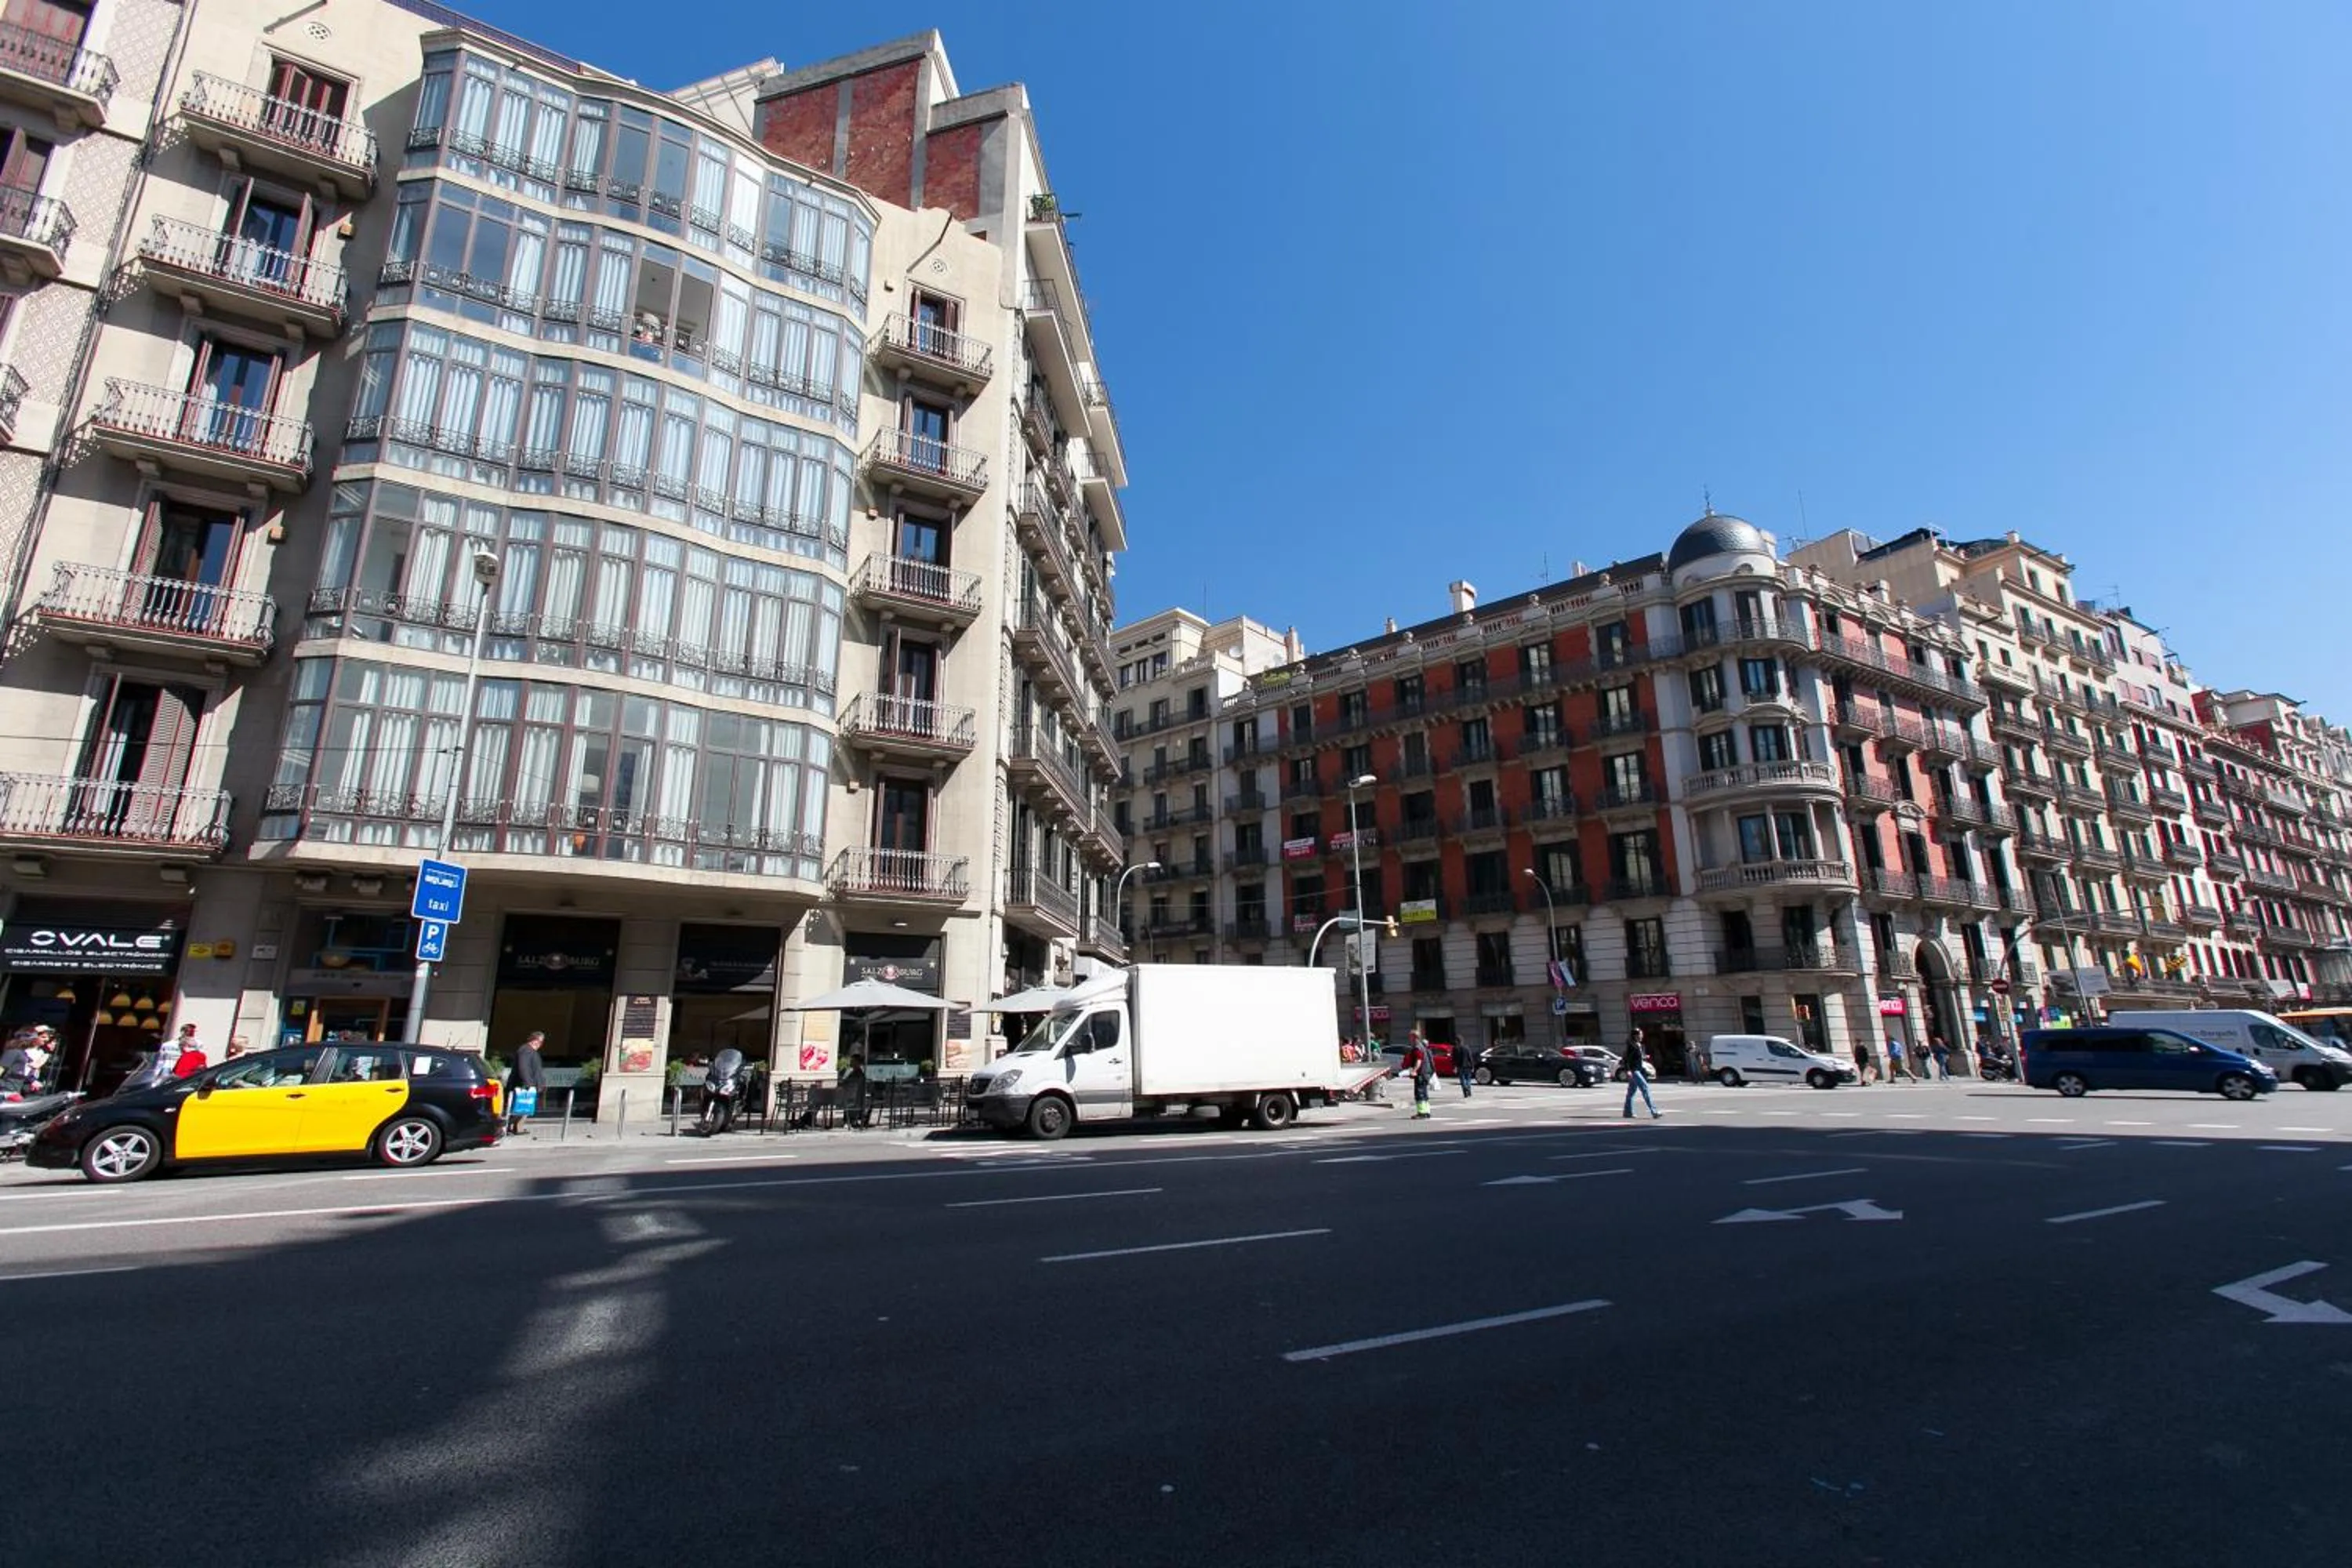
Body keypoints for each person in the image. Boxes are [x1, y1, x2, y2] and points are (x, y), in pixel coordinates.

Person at [507, 1030, 546, 1135]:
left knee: (525, 1107)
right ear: (534, 1040)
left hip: (528, 1084)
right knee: (521, 1106)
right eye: (540, 1041)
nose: (540, 1044)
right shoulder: (526, 1050)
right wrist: (529, 1084)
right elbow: (523, 1068)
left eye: (541, 1042)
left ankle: (517, 1128)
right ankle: (512, 1127)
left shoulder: (530, 1051)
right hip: (524, 1085)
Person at [1621, 1027, 1661, 1120]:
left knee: (1631, 1092)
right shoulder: (1631, 1046)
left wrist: (1644, 1057)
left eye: (1642, 1034)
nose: (1642, 1036)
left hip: (1638, 1069)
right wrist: (1628, 1070)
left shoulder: (1638, 1045)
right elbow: (1626, 1059)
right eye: (1640, 1034)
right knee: (1645, 1088)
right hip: (1634, 1071)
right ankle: (1654, 1111)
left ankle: (1628, 1112)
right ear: (1635, 1036)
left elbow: (1636, 1057)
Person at [1406, 1030, 1436, 1120]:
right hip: (1426, 1073)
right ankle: (1427, 1112)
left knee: (1420, 1093)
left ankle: (1421, 1113)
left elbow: (1419, 1061)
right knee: (1424, 1093)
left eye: (1410, 1037)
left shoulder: (1417, 1048)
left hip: (1421, 1074)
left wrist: (1414, 1070)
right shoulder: (1423, 1047)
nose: (1409, 1038)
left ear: (1415, 1037)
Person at [1454, 1035, 1477, 1100]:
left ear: (1457, 1041)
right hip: (1468, 1066)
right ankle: (1469, 1091)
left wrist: (1455, 1066)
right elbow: (1470, 1057)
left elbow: (1454, 1059)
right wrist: (1472, 1066)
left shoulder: (1456, 1049)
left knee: (1462, 1080)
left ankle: (1465, 1092)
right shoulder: (1467, 1048)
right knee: (1468, 1080)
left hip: (1460, 1066)